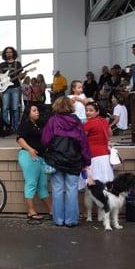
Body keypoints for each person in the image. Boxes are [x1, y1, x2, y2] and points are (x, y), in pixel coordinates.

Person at [41, 96, 91, 227]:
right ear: (71, 106)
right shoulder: (77, 122)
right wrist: (87, 161)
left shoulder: (52, 121)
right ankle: (71, 220)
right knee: (72, 190)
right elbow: (84, 144)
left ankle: (58, 220)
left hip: (56, 160)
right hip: (74, 160)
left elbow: (45, 141)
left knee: (57, 190)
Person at [16, 105, 52, 223]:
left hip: (40, 157)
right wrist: (30, 149)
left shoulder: (39, 124)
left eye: (37, 110)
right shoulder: (26, 124)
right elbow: (19, 139)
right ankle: (31, 211)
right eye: (34, 110)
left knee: (42, 185)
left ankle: (52, 210)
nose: (37, 112)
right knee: (31, 183)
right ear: (28, 113)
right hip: (29, 156)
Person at [0, 46, 24, 131]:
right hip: (5, 89)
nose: (8, 53)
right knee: (5, 108)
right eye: (7, 52)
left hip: (15, 87)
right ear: (5, 54)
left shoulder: (17, 64)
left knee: (15, 108)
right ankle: (6, 127)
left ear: (13, 53)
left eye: (10, 52)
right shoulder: (2, 65)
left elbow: (21, 77)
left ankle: (15, 127)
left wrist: (22, 75)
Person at [83, 102, 114, 185]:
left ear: (97, 112)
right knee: (107, 180)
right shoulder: (104, 121)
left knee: (95, 182)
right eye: (86, 110)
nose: (87, 112)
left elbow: (82, 139)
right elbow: (110, 134)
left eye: (91, 110)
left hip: (94, 155)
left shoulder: (88, 124)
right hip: (105, 154)